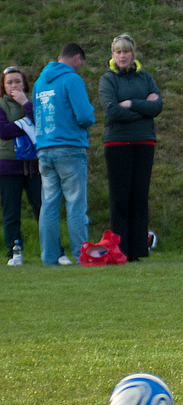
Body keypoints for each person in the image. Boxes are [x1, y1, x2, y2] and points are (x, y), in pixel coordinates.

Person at [98, 34, 163, 261]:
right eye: (118, 52)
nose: (122, 56)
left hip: (144, 142)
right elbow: (113, 111)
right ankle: (119, 251)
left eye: (126, 52)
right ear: (113, 55)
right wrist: (144, 108)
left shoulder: (145, 77)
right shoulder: (108, 80)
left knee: (139, 196)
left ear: (133, 54)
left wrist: (132, 104)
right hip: (117, 143)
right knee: (120, 198)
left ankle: (138, 251)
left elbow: (158, 107)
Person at [33, 42, 95, 266]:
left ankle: (49, 258)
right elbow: (84, 115)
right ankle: (82, 256)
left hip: (44, 149)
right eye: (81, 63)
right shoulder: (72, 79)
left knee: (49, 205)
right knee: (76, 203)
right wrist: (92, 114)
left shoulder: (40, 82)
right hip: (69, 148)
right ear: (77, 58)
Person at [0, 66, 70, 266]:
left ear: (25, 83)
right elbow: (4, 131)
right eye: (9, 82)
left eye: (17, 81)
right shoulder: (1, 105)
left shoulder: (34, 102)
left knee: (44, 209)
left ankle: (55, 251)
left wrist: (26, 105)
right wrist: (26, 123)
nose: (14, 86)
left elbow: (42, 121)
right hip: (9, 166)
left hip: (35, 165)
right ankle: (14, 252)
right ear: (3, 86)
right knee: (11, 212)